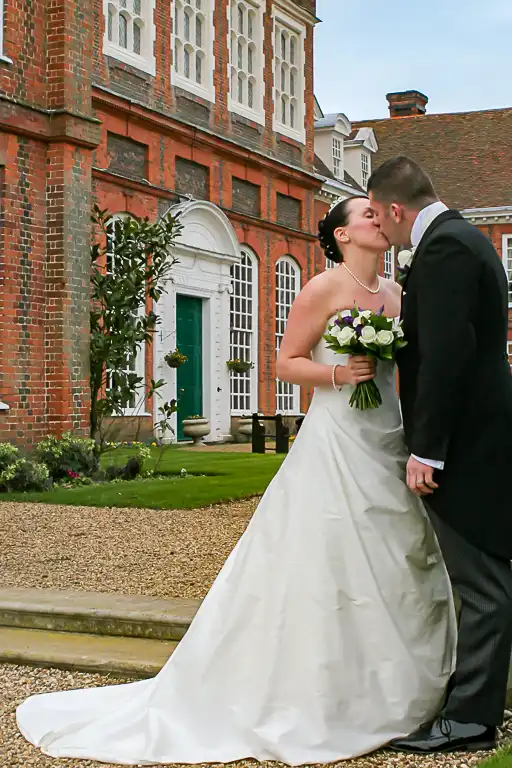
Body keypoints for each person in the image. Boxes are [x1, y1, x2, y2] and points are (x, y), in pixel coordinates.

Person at [16, 196, 456, 765]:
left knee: (401, 554)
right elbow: (286, 362)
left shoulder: (397, 296)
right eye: (364, 215)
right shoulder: (322, 288)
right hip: (336, 440)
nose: (376, 217)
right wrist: (338, 372)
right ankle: (319, 695)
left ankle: (398, 685)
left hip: (386, 438)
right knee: (324, 555)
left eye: (378, 213)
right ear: (342, 236)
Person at [368, 156, 512, 755]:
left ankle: (471, 718)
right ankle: (475, 705)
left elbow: (448, 355)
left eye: (378, 215)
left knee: (482, 581)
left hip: (468, 440)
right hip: (482, 432)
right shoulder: (462, 240)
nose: (380, 227)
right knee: (490, 571)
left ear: (396, 209)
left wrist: (427, 449)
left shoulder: (447, 250)